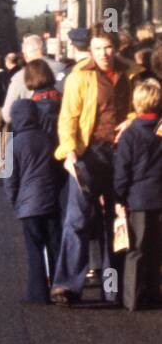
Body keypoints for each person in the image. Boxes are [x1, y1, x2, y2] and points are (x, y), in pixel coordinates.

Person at [51, 25, 145, 306]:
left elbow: (143, 106)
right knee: (78, 220)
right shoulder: (80, 76)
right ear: (89, 50)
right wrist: (68, 152)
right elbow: (68, 117)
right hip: (88, 154)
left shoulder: (132, 74)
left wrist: (132, 119)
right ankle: (66, 286)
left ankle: (112, 288)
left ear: (116, 48)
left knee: (115, 223)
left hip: (120, 155)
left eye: (108, 47)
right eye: (98, 48)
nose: (104, 54)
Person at [5, 70, 65, 304]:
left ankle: (37, 292)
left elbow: (10, 180)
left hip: (28, 204)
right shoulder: (48, 138)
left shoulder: (14, 143)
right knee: (54, 245)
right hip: (50, 199)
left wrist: (15, 202)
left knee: (34, 250)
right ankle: (60, 285)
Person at [113, 78, 162, 311]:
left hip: (138, 198)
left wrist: (118, 197)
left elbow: (122, 170)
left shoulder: (130, 134)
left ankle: (131, 298)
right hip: (159, 196)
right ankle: (153, 293)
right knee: (156, 248)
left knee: (136, 250)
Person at [2, 34, 68, 126]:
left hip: (32, 131)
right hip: (62, 130)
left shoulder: (20, 77)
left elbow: (7, 115)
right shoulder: (64, 69)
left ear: (25, 54)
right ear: (44, 50)